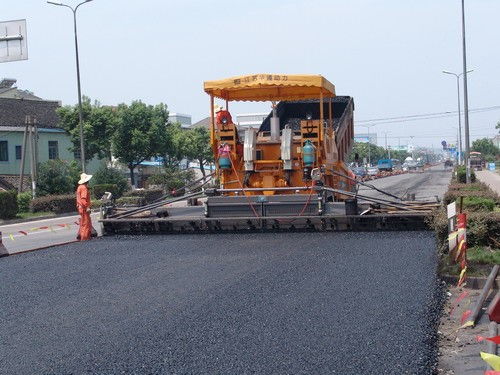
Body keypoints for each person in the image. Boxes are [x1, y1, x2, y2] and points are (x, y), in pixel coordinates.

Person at [76, 173, 93, 241]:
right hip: (84, 208)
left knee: (83, 223)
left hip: (80, 207)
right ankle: (85, 239)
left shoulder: (79, 187)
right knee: (86, 224)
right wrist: (87, 207)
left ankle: (83, 237)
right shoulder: (84, 188)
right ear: (86, 181)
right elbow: (83, 199)